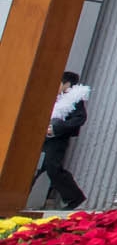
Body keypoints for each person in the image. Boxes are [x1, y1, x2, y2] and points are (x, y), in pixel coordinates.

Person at [36, 72, 88, 209]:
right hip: (39, 139)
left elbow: (79, 119)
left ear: (67, 84)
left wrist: (56, 128)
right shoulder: (52, 97)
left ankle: (75, 197)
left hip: (56, 140)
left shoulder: (75, 100)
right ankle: (13, 199)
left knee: (53, 168)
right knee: (30, 169)